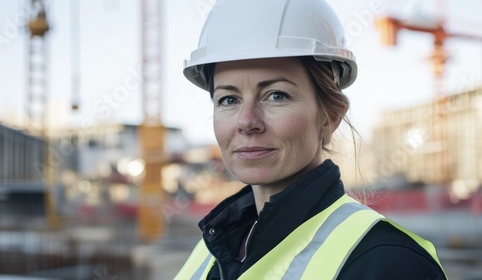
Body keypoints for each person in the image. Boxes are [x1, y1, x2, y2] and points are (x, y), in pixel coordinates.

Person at [175, 0, 447, 279]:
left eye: (276, 95)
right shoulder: (209, 253)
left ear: (330, 116)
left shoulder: (389, 262)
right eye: (228, 99)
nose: (247, 122)